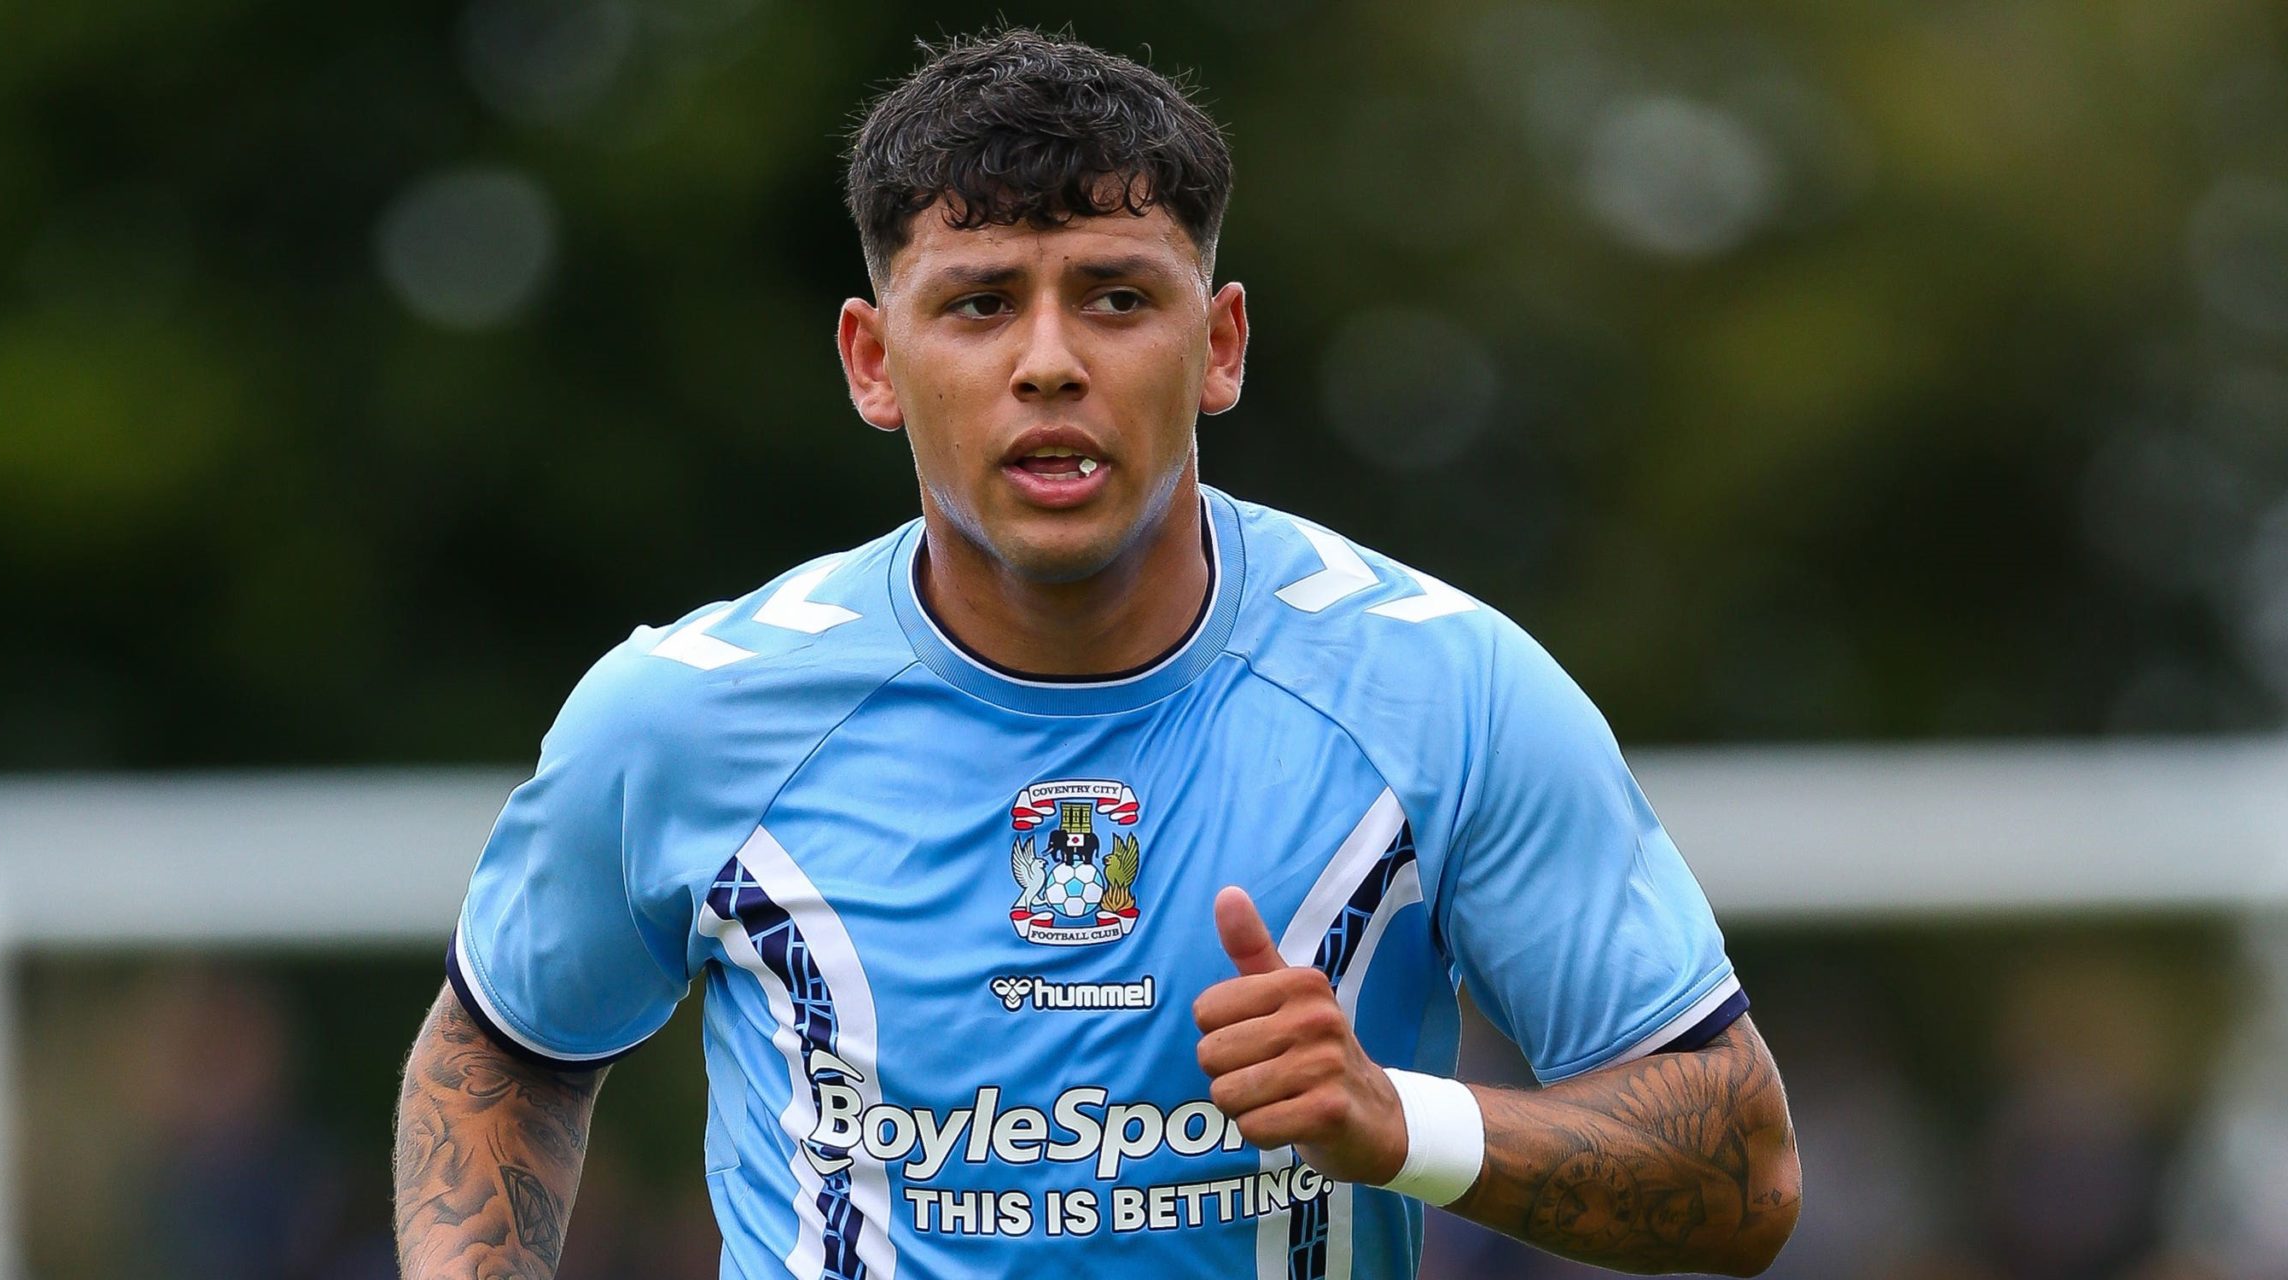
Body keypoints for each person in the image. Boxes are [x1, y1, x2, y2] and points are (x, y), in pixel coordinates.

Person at [392, 28, 1800, 1280]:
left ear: (1222, 343)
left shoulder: (1447, 694)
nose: (1051, 361)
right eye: (982, 302)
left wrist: (1403, 1124)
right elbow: (502, 1050)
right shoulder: (684, 717)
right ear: (875, 362)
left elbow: (1744, 1175)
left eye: (1118, 298)